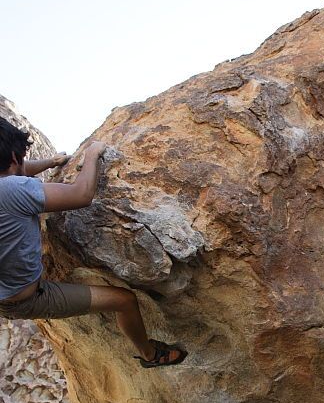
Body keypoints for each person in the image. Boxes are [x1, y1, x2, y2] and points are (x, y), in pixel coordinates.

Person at [0, 116, 187, 368]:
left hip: (5, 293)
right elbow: (82, 194)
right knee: (125, 301)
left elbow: (17, 169)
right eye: (22, 156)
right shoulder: (12, 190)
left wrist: (51, 162)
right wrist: (92, 154)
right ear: (14, 157)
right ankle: (150, 355)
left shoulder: (9, 183)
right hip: (25, 300)